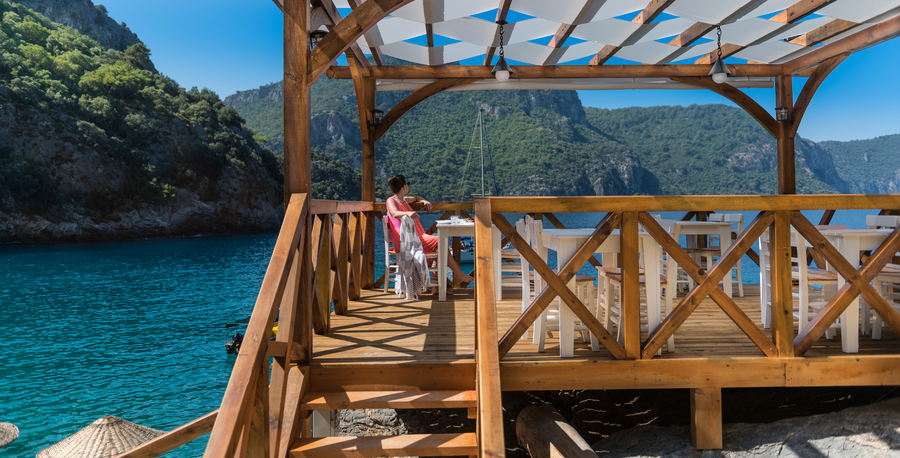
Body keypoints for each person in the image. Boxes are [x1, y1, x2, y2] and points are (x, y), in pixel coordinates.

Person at [385, 174, 475, 294]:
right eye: (408, 184)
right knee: (440, 240)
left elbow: (417, 197)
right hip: (405, 240)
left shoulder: (404, 200)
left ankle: (437, 287)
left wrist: (424, 201)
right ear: (403, 186)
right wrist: (408, 213)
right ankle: (456, 273)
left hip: (415, 237)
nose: (408, 186)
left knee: (440, 246)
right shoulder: (391, 200)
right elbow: (395, 213)